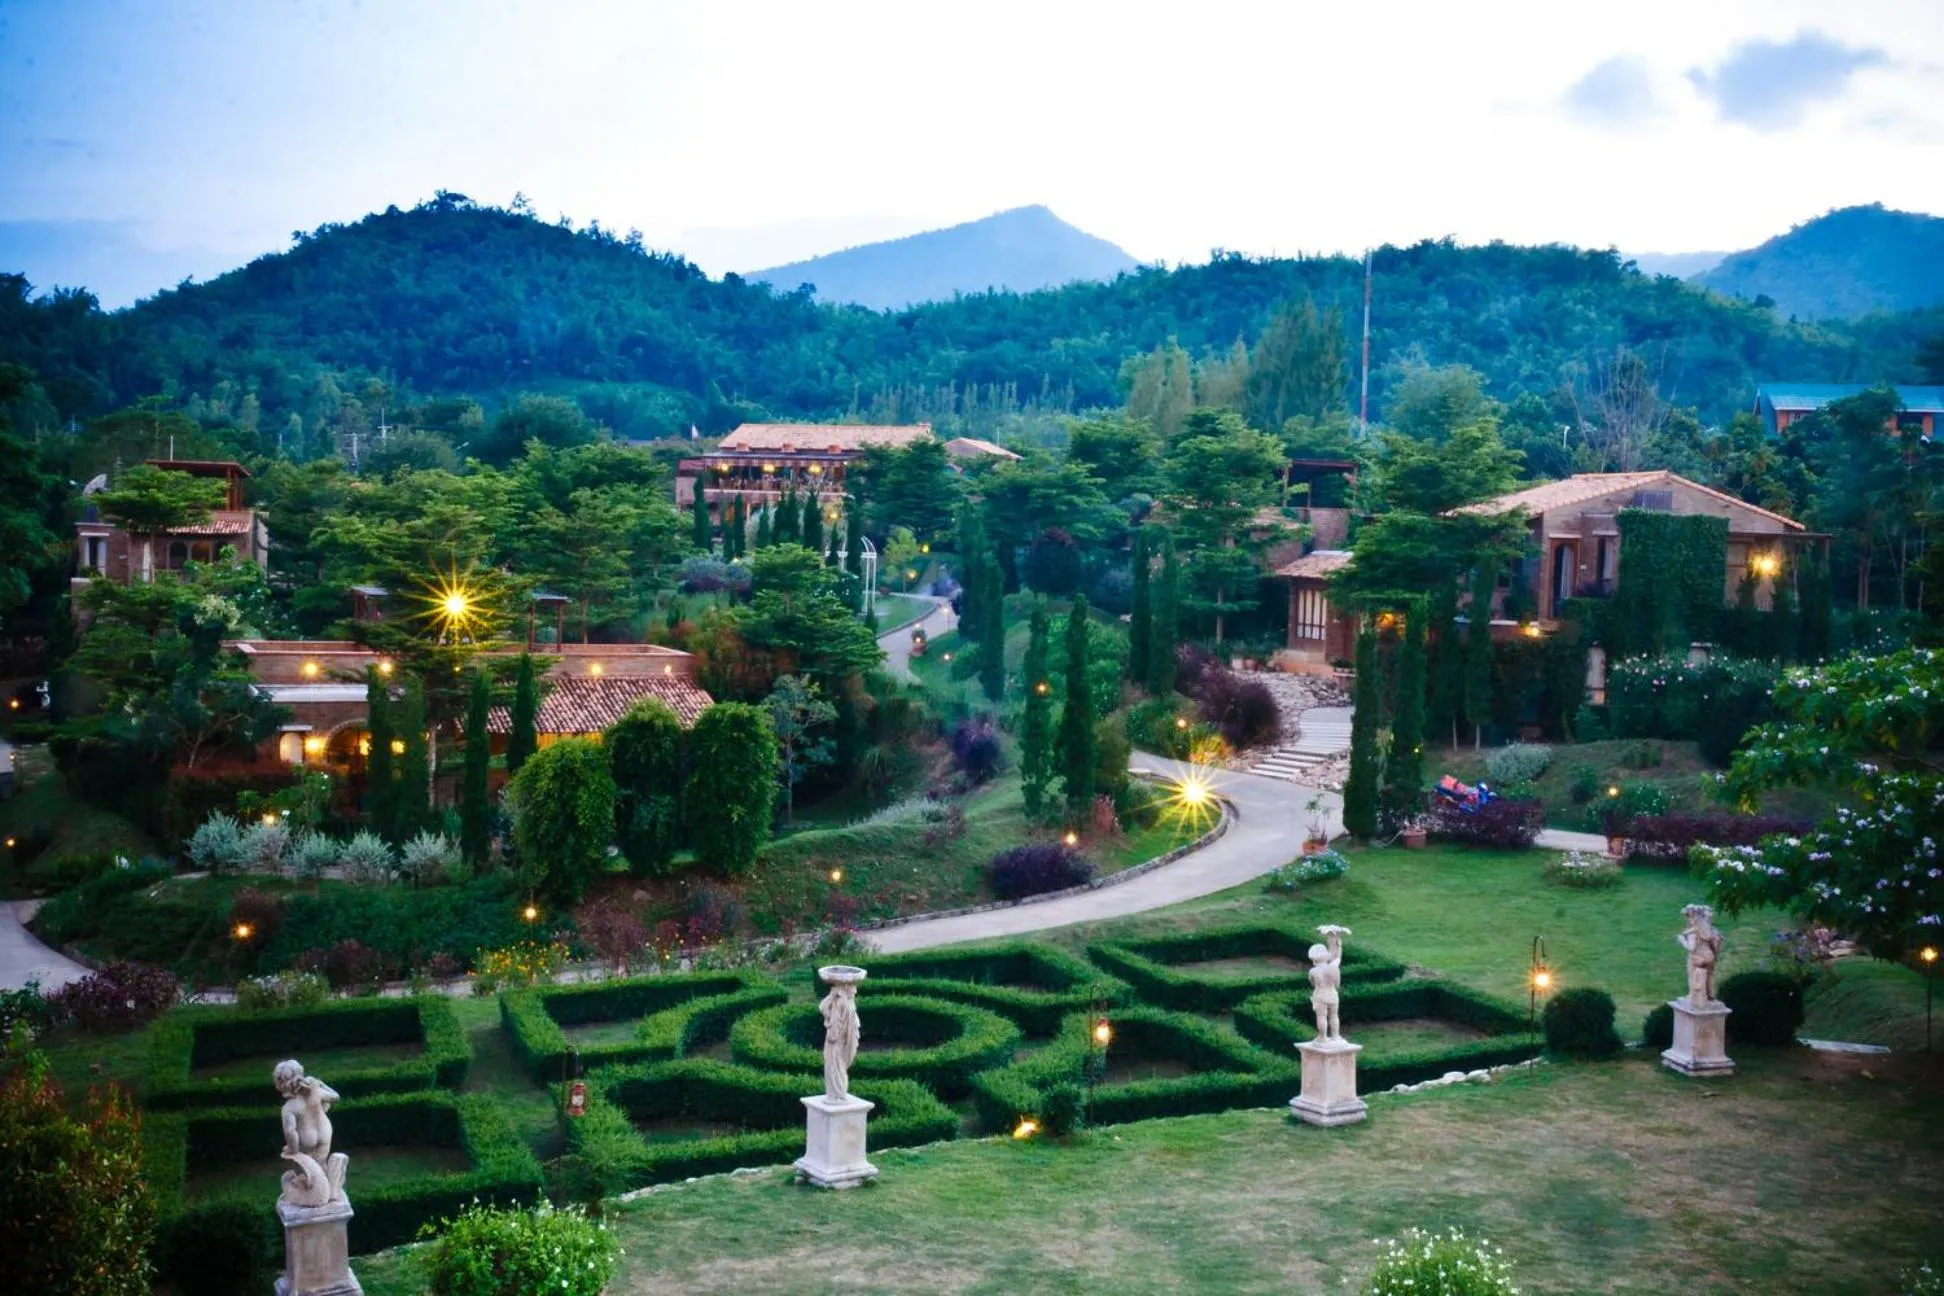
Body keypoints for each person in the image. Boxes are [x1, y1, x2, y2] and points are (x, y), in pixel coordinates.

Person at [275, 1060, 348, 1207]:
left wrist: (293, 1149)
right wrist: (320, 1083)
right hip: (324, 1130)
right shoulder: (316, 1091)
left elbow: (291, 1132)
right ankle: (330, 1190)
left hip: (306, 1136)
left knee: (309, 1170)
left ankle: (315, 1193)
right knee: (320, 1162)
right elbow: (336, 1097)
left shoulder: (289, 1107)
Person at [820, 981, 862, 1101]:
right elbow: (823, 1008)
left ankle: (838, 1093)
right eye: (853, 988)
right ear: (845, 989)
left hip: (843, 1041)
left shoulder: (849, 1002)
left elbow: (823, 1008)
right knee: (835, 1066)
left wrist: (831, 996)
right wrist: (832, 996)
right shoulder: (842, 1002)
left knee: (837, 1066)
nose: (855, 991)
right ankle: (837, 1093)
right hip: (837, 1041)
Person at [1679, 904, 1724, 1005]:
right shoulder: (1710, 930)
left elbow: (1691, 948)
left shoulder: (1693, 932)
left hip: (1697, 957)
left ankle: (1694, 996)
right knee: (1709, 975)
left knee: (1692, 975)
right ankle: (1709, 994)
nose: (1688, 919)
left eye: (1688, 916)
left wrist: (1682, 940)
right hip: (1709, 956)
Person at [1308, 927, 1346, 1040]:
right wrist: (1337, 944)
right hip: (1332, 994)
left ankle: (1322, 1037)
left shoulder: (1313, 971)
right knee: (1334, 1015)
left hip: (1320, 994)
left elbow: (1313, 984)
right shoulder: (1334, 968)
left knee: (1321, 1017)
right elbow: (1338, 958)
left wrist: (1334, 941)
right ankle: (1335, 1036)